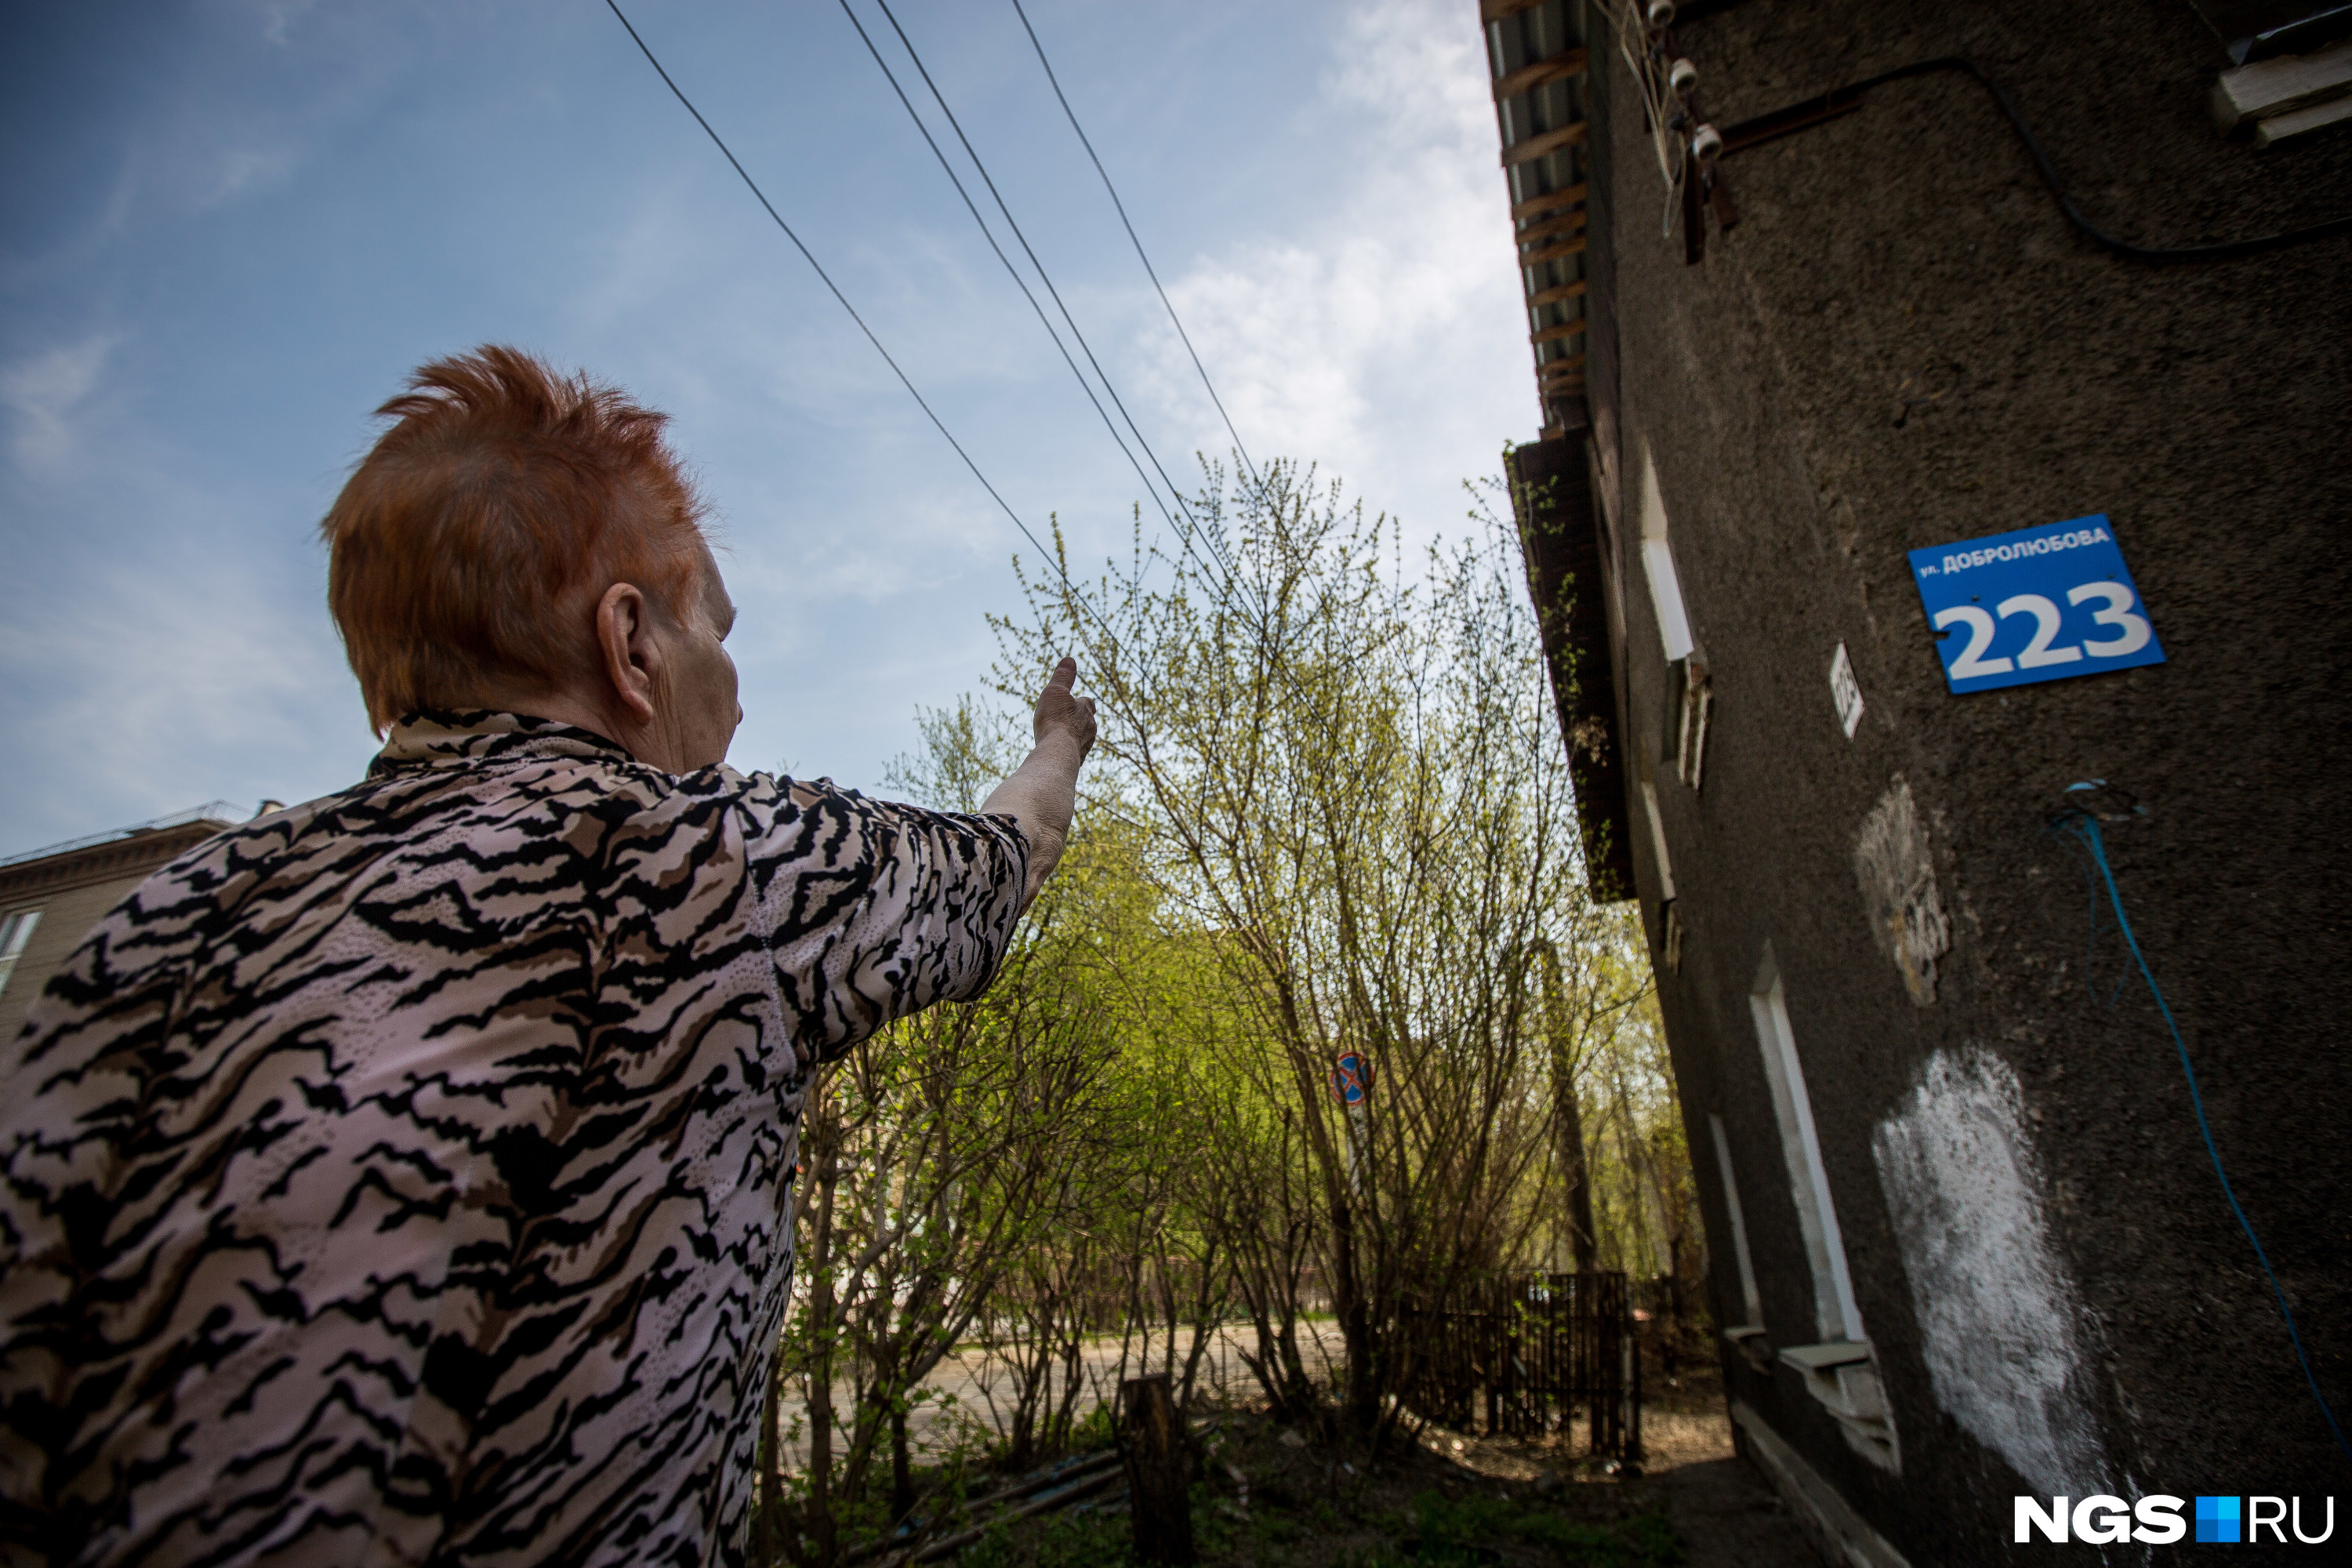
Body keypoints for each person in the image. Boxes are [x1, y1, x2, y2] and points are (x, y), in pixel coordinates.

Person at [0, 346, 1096, 1566]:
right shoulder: (718, 862)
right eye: (712, 632)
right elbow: (1007, 853)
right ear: (629, 644)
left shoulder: (162, 920)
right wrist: (1057, 741)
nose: (735, 693)